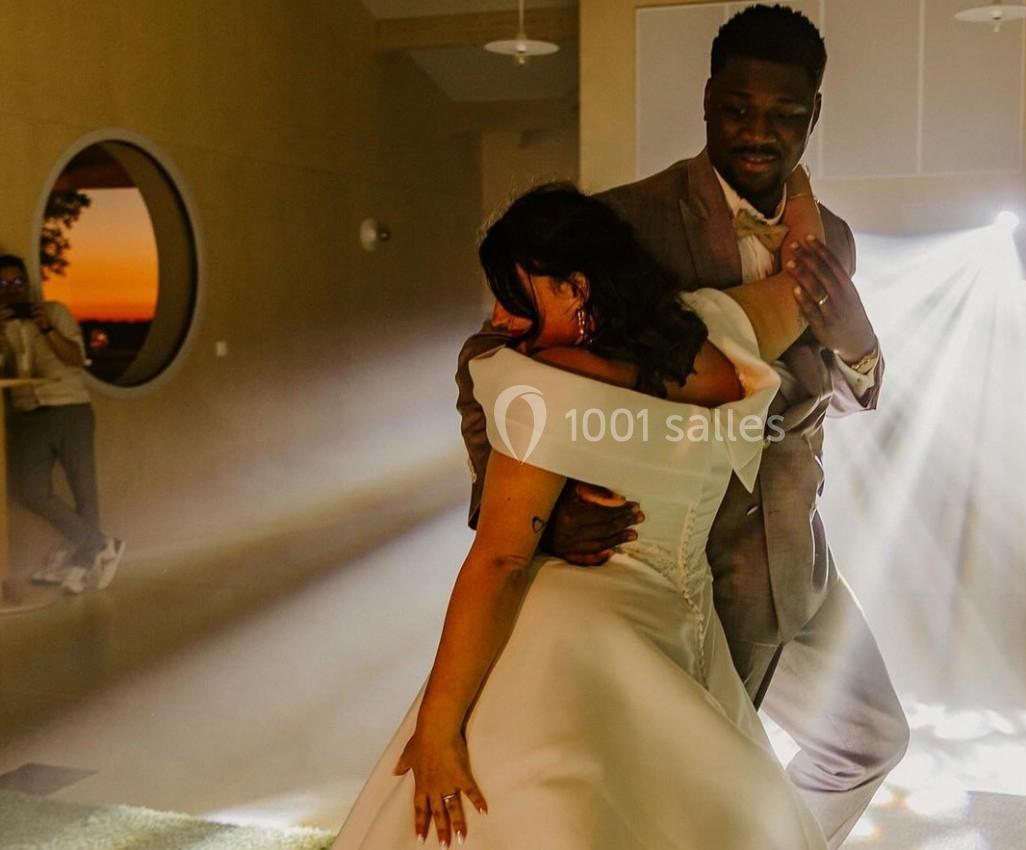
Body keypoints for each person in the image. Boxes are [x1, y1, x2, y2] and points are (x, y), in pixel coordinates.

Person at [458, 6, 908, 847]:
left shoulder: (830, 236)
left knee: (871, 741)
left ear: (815, 114)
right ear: (707, 100)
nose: (758, 132)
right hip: (684, 561)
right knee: (677, 786)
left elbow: (831, 398)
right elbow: (489, 359)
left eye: (785, 114)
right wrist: (533, 508)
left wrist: (859, 348)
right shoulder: (628, 220)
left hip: (797, 553)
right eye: (739, 107)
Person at [335, 171, 854, 848]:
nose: (498, 319)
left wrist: (438, 729)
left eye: (512, 295)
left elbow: (498, 558)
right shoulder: (714, 331)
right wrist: (798, 187)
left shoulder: (542, 383)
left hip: (572, 629)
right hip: (679, 619)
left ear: (575, 289)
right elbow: (805, 280)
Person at [0, 254, 125, 594]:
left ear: (27, 284)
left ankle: (82, 566)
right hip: (29, 413)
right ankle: (102, 543)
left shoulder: (54, 312)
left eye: (17, 283)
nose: (12, 290)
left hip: (69, 408)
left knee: (84, 491)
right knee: (29, 490)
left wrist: (45, 328)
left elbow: (74, 358)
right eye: (3, 284)